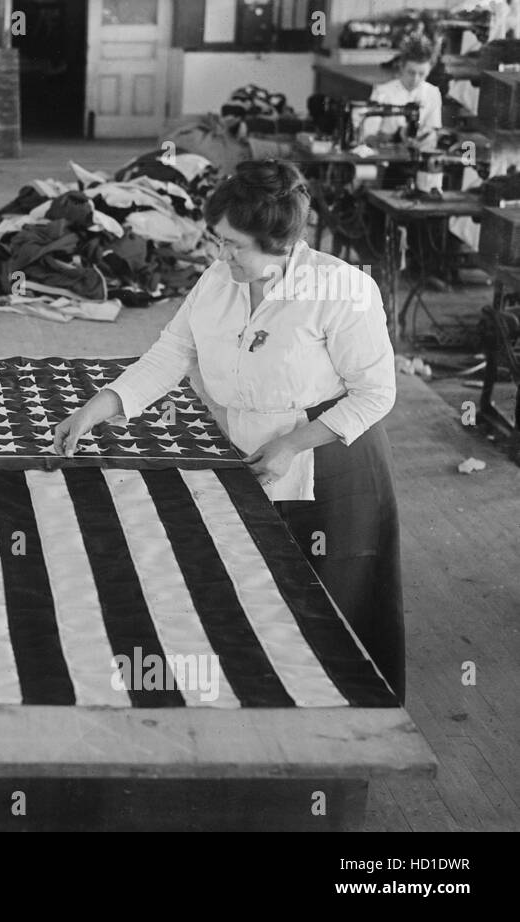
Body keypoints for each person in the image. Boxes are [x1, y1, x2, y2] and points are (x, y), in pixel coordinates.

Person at [52, 160, 404, 702]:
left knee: (328, 603)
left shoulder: (343, 290)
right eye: (219, 241)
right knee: (252, 589)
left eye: (236, 245)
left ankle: (336, 718)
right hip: (246, 453)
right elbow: (173, 351)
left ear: (281, 242)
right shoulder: (221, 279)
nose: (222, 256)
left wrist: (290, 443)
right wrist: (100, 406)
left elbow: (376, 392)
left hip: (328, 463)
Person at [360, 35, 441, 151]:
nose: (415, 79)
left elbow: (433, 129)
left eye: (422, 74)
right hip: (387, 158)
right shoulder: (383, 92)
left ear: (429, 71)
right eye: (411, 73)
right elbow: (368, 136)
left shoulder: (433, 93)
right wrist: (397, 136)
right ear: (401, 67)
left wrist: (429, 138)